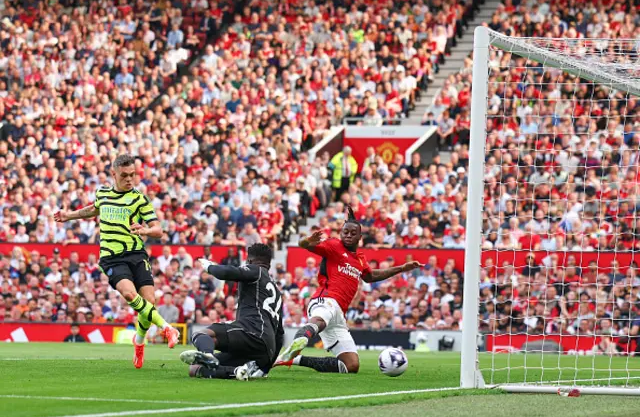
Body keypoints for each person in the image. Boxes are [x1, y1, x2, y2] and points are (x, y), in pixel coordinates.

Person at [54, 154, 179, 369]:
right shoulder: (102, 193)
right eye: (125, 175)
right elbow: (93, 209)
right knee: (130, 294)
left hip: (136, 255)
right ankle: (167, 328)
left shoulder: (139, 198)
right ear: (114, 174)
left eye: (133, 175)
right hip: (112, 257)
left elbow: (158, 229)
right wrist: (68, 216)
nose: (130, 179)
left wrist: (145, 229)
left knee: (149, 302)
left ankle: (138, 342)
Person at [274, 206, 422, 373]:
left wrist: (401, 268)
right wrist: (307, 241)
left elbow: (371, 276)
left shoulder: (359, 259)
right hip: (326, 299)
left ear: (360, 236)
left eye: (353, 233)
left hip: (339, 315)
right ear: (340, 233)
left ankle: (291, 359)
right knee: (320, 320)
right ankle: (301, 339)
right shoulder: (333, 245)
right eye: (345, 232)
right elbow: (304, 245)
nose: (348, 235)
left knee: (351, 366)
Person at [180, 243, 284, 381]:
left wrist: (209, 267)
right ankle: (236, 371)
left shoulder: (256, 271)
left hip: (252, 331)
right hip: (265, 350)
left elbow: (226, 273)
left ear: (250, 261)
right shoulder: (276, 291)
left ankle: (208, 356)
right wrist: (266, 366)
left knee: (201, 334)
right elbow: (280, 334)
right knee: (195, 368)